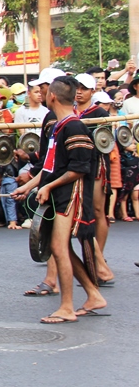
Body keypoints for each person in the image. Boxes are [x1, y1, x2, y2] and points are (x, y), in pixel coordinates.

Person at [13, 76, 106, 322]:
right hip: (59, 193)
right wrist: (29, 186)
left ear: (52, 96)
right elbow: (50, 166)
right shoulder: (59, 126)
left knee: (58, 247)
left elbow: (79, 168)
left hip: (71, 194)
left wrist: (49, 186)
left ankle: (66, 307)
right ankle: (93, 294)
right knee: (60, 248)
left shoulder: (74, 126)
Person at [74, 73, 115, 285]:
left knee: (97, 210)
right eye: (77, 87)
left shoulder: (99, 113)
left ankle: (99, 259)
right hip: (74, 164)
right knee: (81, 211)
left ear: (92, 91)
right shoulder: (69, 111)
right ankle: (94, 259)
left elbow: (106, 142)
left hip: (95, 163)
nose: (79, 92)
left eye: (84, 88)